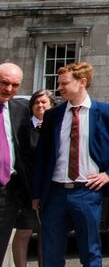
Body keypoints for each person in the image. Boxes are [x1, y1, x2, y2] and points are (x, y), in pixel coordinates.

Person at [32, 61, 109, 267]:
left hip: (87, 192)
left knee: (90, 252)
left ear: (82, 82)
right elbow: (42, 157)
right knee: (50, 253)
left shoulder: (105, 111)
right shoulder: (54, 115)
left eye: (64, 83)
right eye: (59, 83)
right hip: (55, 193)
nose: (59, 88)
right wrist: (37, 194)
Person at [12, 89, 55, 267]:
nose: (40, 105)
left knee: (46, 234)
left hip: (51, 188)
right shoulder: (23, 127)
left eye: (44, 102)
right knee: (24, 231)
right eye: (36, 102)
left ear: (52, 105)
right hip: (26, 188)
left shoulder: (57, 128)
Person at [0, 64, 32, 263]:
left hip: (7, 191)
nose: (9, 89)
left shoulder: (20, 109)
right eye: (4, 83)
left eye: (15, 85)